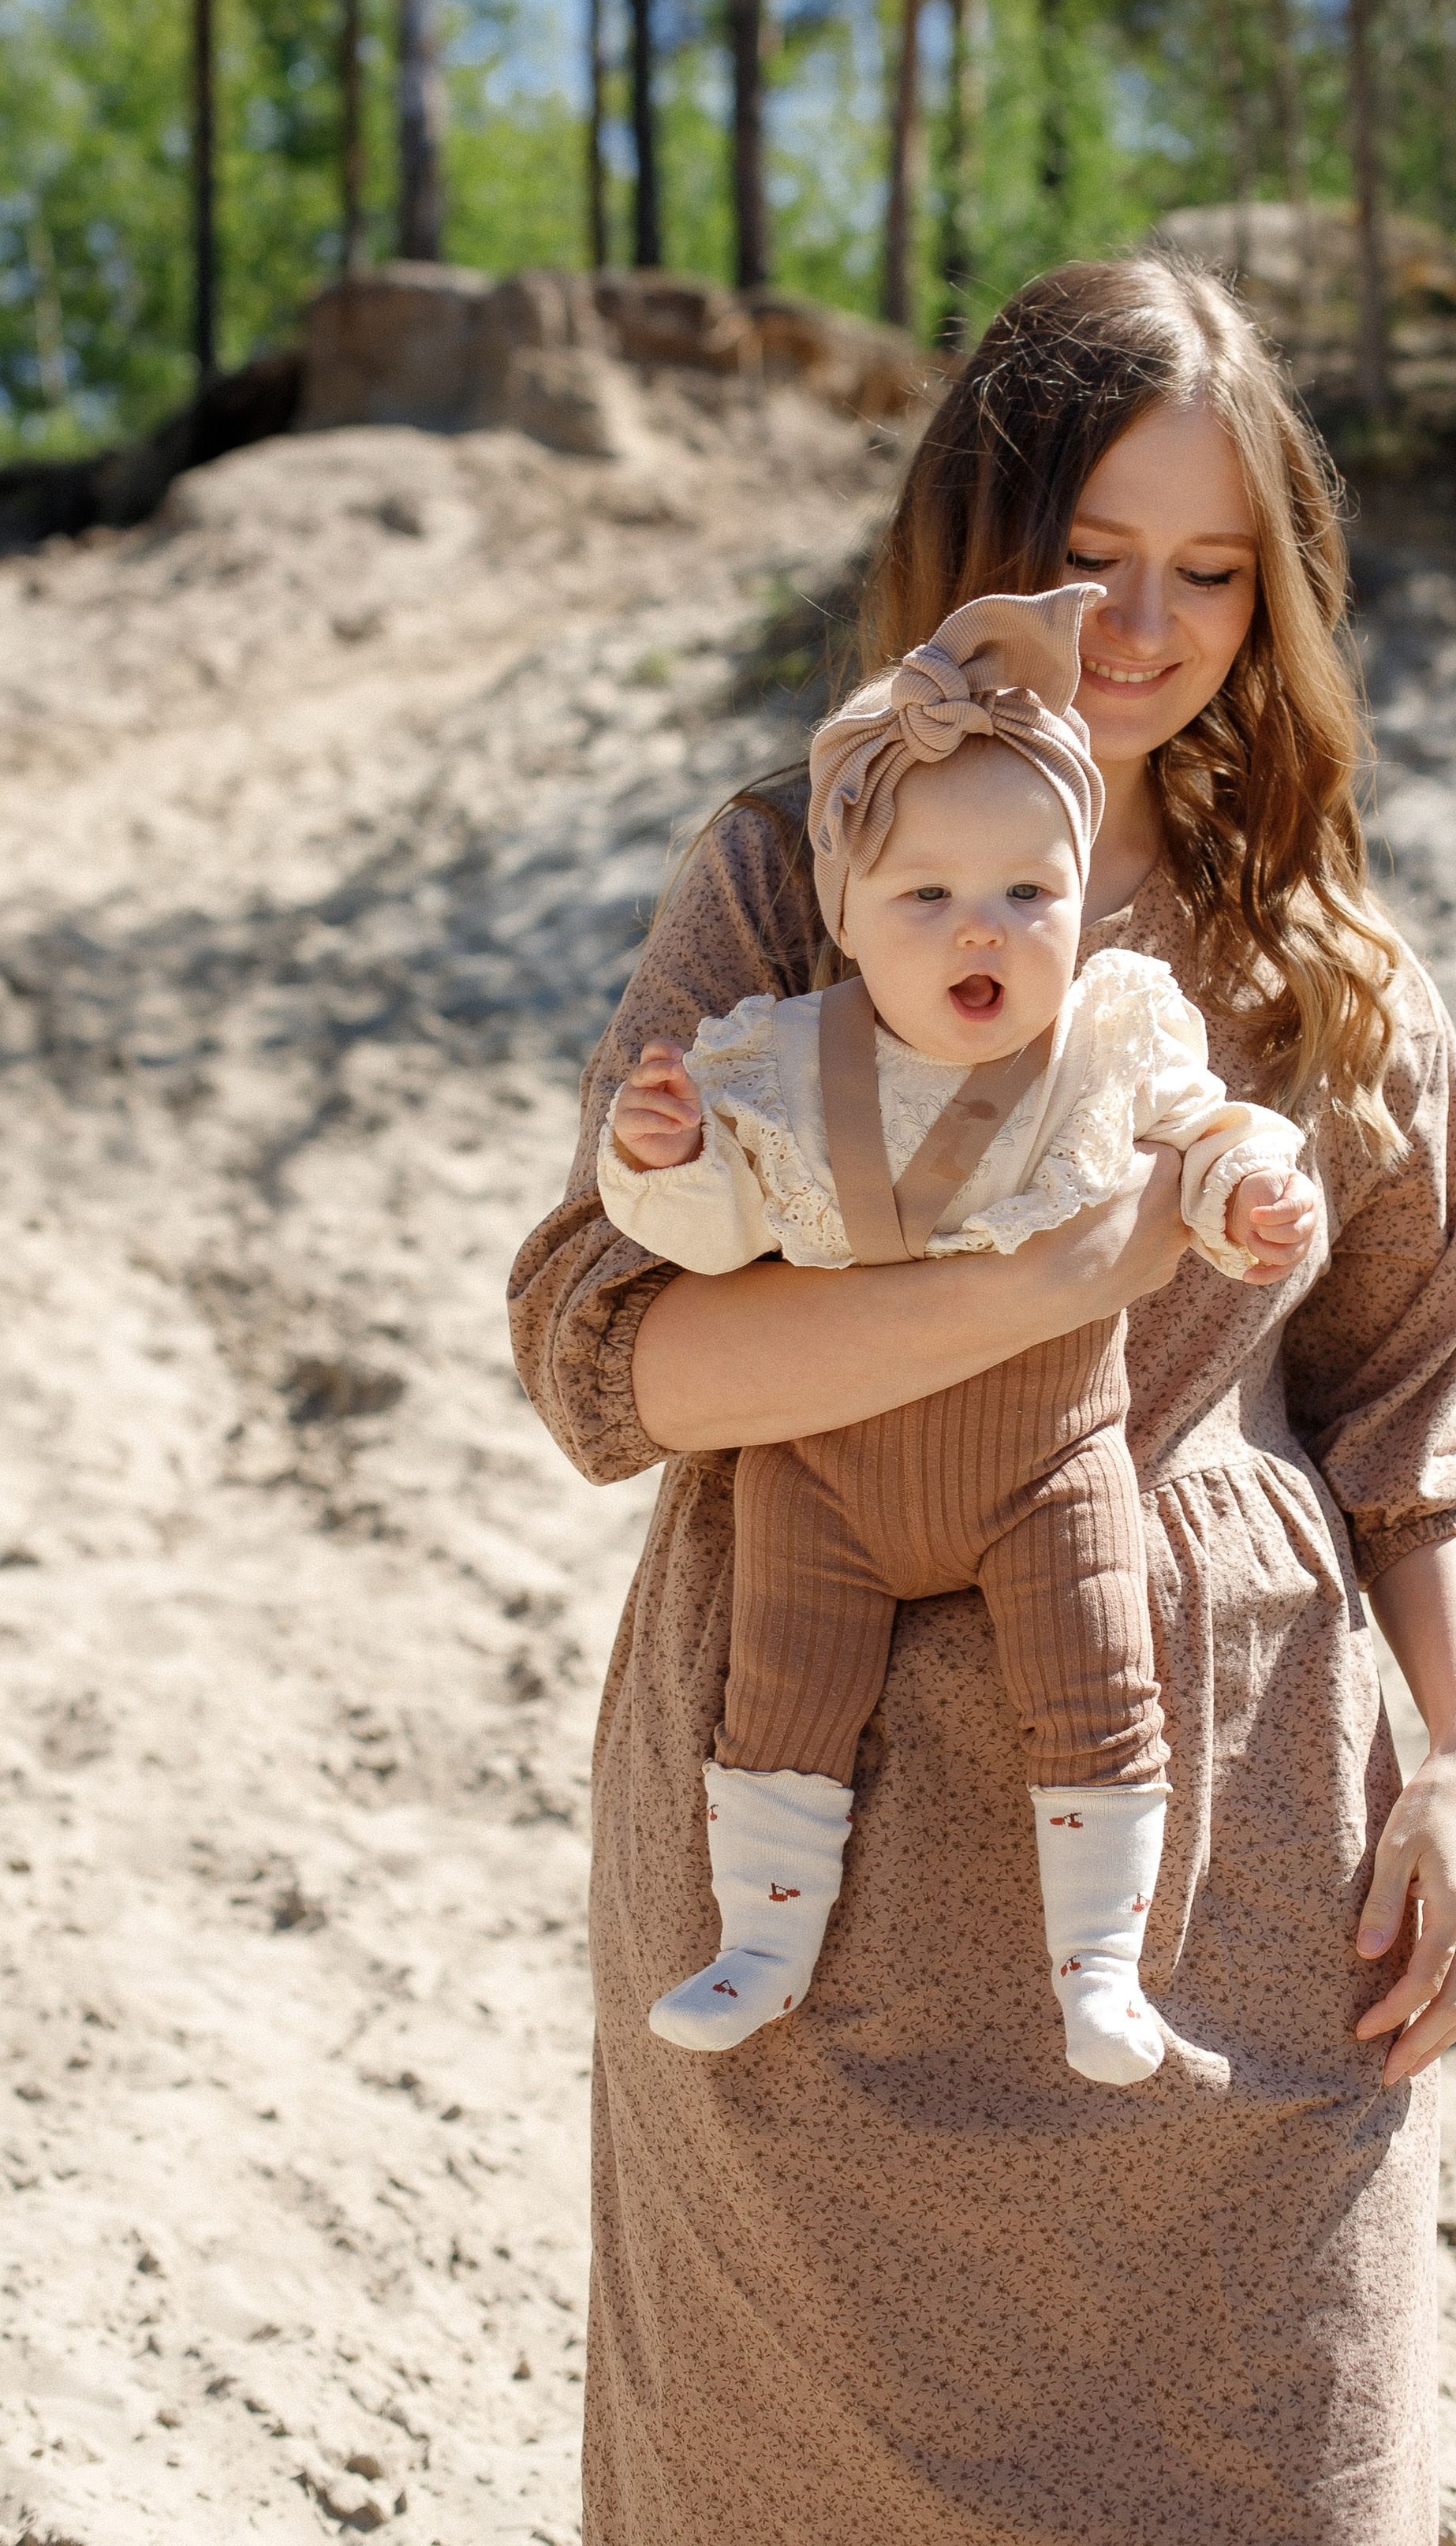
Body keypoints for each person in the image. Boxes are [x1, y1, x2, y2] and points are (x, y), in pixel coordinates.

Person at [508, 255, 1456, 2546]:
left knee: (1277, 2456)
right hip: (810, 1817)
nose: (1149, 631)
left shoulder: (1318, 950)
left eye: (1214, 575)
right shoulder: (793, 868)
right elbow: (607, 1353)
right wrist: (1074, 1274)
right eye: (1097, 565)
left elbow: (1407, 1417)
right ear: (976, 550)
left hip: (1231, 1839)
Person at [594, 581, 1318, 2081]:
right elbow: (716, 1240)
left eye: (1027, 895)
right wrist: (664, 1161)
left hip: (1047, 1466)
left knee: (1097, 1673)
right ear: (844, 915)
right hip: (825, 1473)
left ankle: (1102, 1969)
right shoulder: (783, 1061)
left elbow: (1213, 1128)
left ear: (1080, 903)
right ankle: (760, 1947)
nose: (979, 929)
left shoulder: (1105, 1046)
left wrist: (1252, 1188)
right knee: (782, 1690)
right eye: (926, 897)